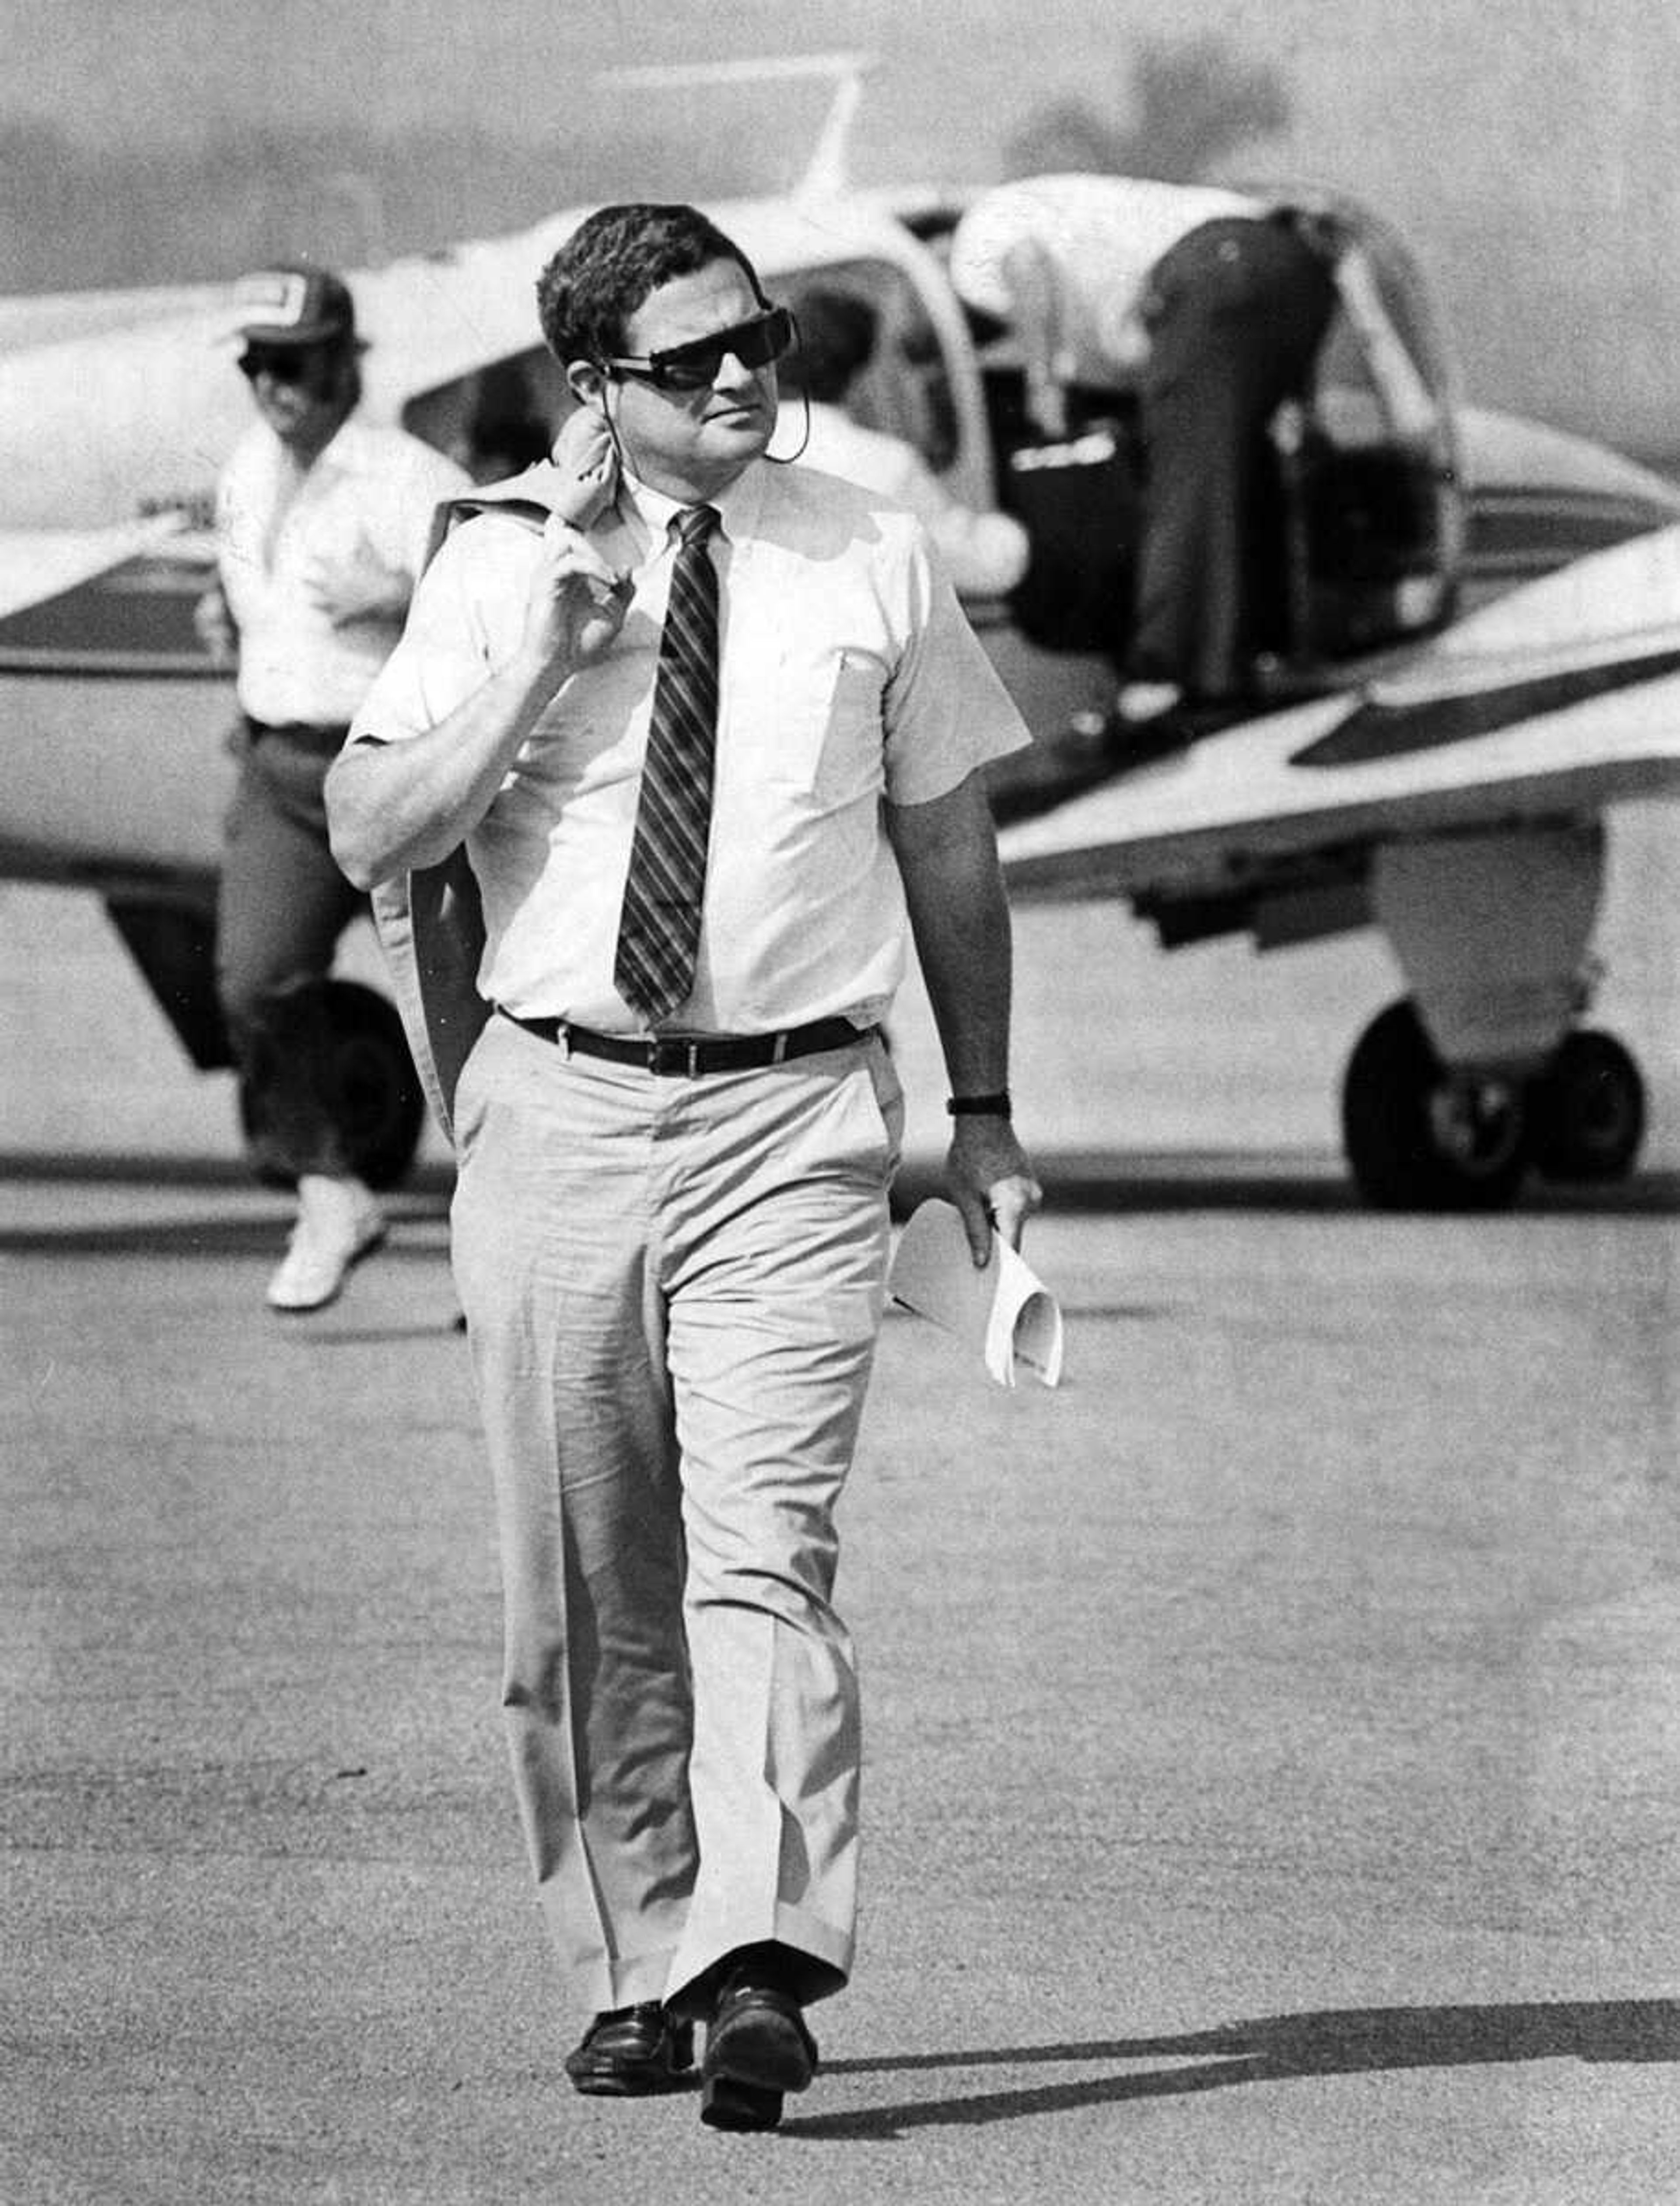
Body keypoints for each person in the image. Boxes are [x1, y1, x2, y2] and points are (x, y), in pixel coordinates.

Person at [325, 202, 1041, 2132]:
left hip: (798, 1122)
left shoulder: (872, 554)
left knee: (763, 1556)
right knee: (579, 1584)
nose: (744, 376)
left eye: (763, 337)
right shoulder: (493, 568)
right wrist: (540, 666)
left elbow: (951, 853)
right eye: (689, 357)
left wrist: (981, 1117)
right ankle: (634, 1959)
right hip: (555, 1108)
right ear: (591, 389)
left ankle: (753, 1958)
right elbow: (369, 827)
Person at [196, 262, 470, 1312]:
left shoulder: (410, 478)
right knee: (254, 983)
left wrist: (401, 593)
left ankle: (510, 1250)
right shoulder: (242, 472)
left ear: (345, 360)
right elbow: (253, 605)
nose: (278, 385)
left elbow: (488, 621)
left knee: (464, 1012)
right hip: (280, 764)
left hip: (396, 765)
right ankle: (328, 1190)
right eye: (259, 365)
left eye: (299, 362)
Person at [948, 173, 1339, 738]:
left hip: (1217, 271)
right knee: (1232, 470)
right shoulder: (1078, 233)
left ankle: (1168, 676)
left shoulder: (974, 243)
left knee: (1185, 482)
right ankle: (1251, 651)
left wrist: (1043, 382)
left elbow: (1026, 263)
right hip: (1287, 268)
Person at [776, 286, 1031, 598]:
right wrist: (1026, 524)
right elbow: (987, 567)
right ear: (862, 376)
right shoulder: (884, 465)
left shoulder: (739, 456)